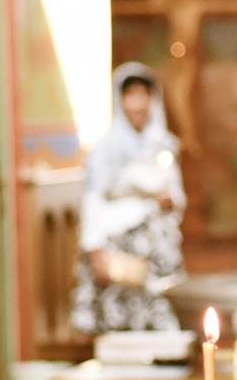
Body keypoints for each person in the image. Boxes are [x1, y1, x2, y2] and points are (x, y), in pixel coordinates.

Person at [74, 64, 186, 335]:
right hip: (117, 245)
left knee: (159, 320)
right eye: (130, 95)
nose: (137, 104)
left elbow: (175, 195)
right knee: (118, 325)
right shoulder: (104, 150)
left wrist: (164, 202)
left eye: (143, 95)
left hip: (154, 246)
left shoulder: (163, 145)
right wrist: (95, 250)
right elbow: (93, 202)